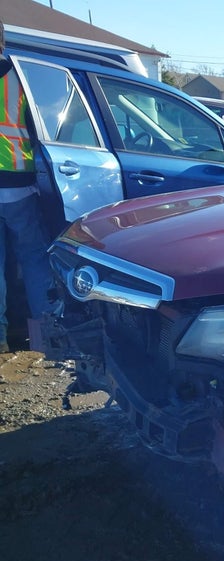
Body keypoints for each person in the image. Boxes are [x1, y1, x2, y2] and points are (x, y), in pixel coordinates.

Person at [0, 20, 55, 353]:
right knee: (33, 258)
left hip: (13, 182)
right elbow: (43, 124)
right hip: (17, 182)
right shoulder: (18, 75)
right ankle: (45, 336)